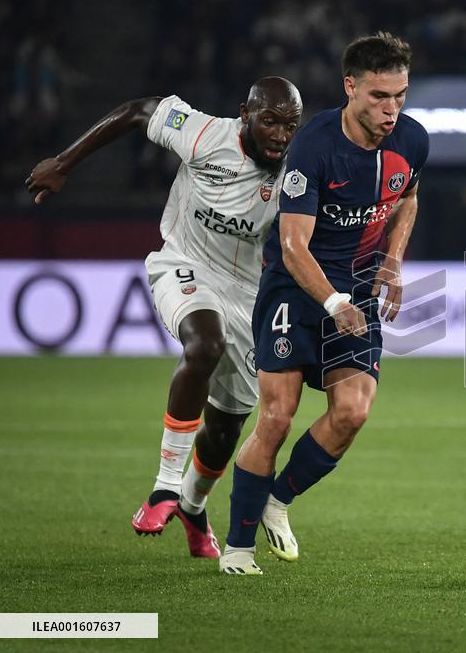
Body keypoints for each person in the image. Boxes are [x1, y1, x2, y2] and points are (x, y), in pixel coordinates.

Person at [25, 78, 303, 559]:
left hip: (249, 295)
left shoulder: (297, 174)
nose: (280, 134)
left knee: (225, 430)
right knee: (203, 344)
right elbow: (136, 110)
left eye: (290, 126)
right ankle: (164, 488)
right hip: (183, 266)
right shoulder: (202, 134)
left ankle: (194, 507)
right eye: (270, 121)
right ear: (245, 115)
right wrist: (64, 163)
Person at [219, 32, 428, 575]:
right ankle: (237, 550)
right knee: (277, 416)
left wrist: (393, 262)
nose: (392, 109)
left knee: (353, 412)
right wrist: (333, 302)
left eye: (401, 95)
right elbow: (292, 247)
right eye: (380, 96)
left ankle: (278, 499)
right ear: (350, 87)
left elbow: (407, 196)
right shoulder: (313, 147)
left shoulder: (412, 140)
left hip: (357, 286)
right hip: (295, 285)